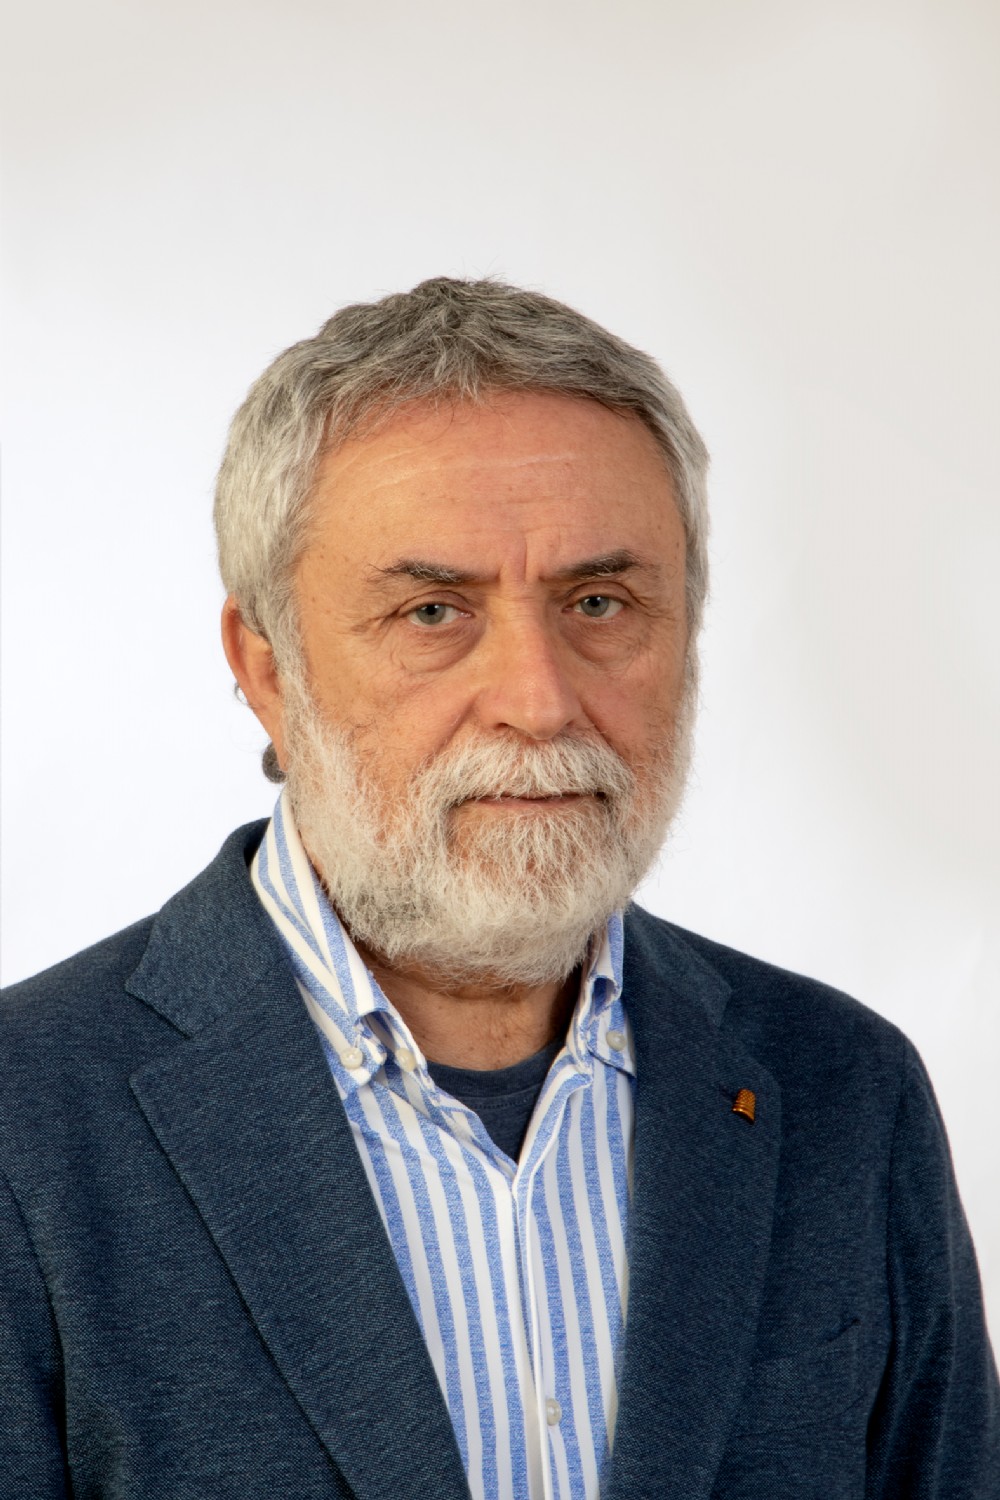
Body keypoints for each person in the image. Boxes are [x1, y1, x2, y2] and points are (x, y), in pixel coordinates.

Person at [1, 278, 996, 1500]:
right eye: (433, 611)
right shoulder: (25, 1123)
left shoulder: (845, 1089)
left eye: (599, 603)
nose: (539, 699)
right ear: (266, 668)